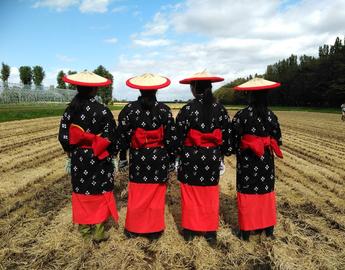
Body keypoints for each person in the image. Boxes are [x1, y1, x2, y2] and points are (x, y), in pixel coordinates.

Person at [58, 71, 119, 242]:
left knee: (81, 192)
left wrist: (70, 152)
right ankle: (99, 232)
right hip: (99, 155)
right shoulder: (103, 111)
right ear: (95, 90)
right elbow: (111, 137)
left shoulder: (70, 110)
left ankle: (85, 232)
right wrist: (113, 153)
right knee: (99, 190)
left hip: (79, 157)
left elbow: (63, 136)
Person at [175, 70, 232, 245]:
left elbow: (178, 137)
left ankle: (190, 231)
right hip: (212, 156)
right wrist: (222, 155)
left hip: (191, 157)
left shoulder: (187, 109)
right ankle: (210, 232)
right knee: (210, 194)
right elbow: (227, 137)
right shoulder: (220, 109)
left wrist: (177, 154)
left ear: (193, 88)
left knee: (190, 193)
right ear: (210, 88)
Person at [117, 73, 175, 240]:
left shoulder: (129, 109)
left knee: (137, 192)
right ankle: (154, 230)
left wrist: (122, 156)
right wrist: (172, 158)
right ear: (157, 89)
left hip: (138, 156)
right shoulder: (165, 110)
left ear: (139, 89)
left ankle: (133, 229)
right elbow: (172, 137)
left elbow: (122, 136)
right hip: (159, 157)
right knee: (156, 194)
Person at [232, 77, 283, 241]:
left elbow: (233, 141)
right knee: (266, 192)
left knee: (247, 192)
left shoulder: (241, 115)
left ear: (249, 95)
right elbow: (278, 139)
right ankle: (268, 230)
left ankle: (246, 231)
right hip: (266, 161)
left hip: (247, 160)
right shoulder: (271, 116)